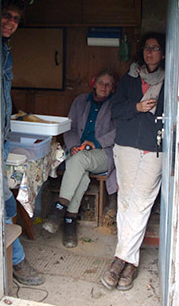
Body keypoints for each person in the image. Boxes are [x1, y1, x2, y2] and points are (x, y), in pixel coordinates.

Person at [101, 32, 166, 292]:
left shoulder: (170, 78)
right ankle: (130, 264)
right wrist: (136, 108)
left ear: (163, 53)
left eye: (156, 48)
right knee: (126, 201)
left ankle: (119, 261)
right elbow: (115, 110)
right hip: (126, 145)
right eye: (147, 48)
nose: (150, 52)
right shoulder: (130, 77)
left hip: (153, 148)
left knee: (140, 203)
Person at [42, 70, 117, 248]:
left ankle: (59, 208)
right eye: (100, 82)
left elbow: (118, 132)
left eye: (108, 84)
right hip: (78, 152)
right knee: (80, 171)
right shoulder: (80, 101)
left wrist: (96, 143)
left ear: (113, 89)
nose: (104, 87)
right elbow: (70, 127)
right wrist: (75, 145)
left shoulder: (115, 105)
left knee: (79, 161)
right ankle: (69, 221)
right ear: (94, 83)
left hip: (103, 154)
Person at [0, 0, 45, 286]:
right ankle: (16, 262)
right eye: (7, 15)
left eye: (16, 19)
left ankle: (13, 260)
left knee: (7, 200)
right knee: (3, 201)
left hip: (2, 134)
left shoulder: (5, 50)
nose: (11, 22)